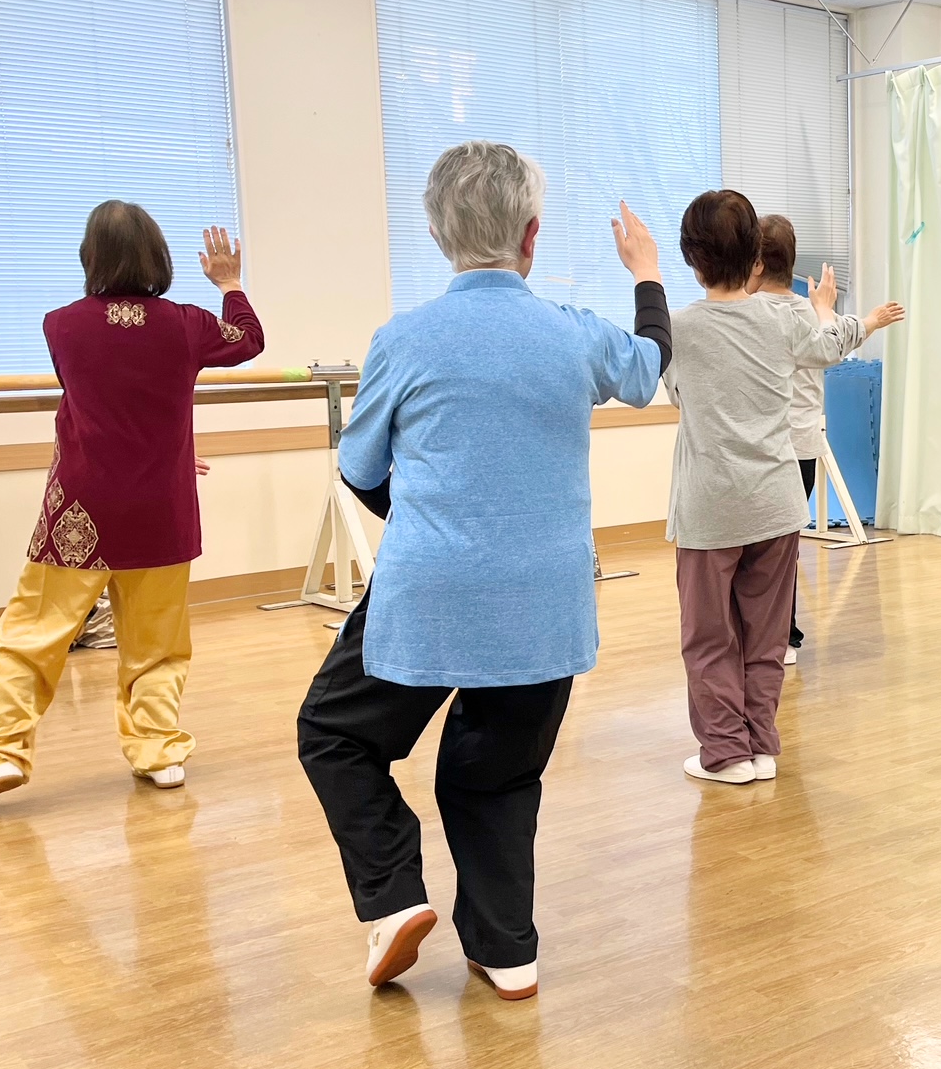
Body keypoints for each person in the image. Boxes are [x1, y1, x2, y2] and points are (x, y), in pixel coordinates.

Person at [295, 141, 671, 995]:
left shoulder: (405, 339)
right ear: (532, 236)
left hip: (429, 593)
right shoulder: (572, 334)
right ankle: (507, 953)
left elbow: (359, 469)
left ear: (435, 233)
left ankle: (392, 900)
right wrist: (646, 274)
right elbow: (649, 371)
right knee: (495, 776)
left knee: (336, 733)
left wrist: (433, 520)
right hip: (546, 602)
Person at [0, 203, 263, 805]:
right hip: (162, 507)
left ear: (89, 257)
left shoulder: (60, 325)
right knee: (158, 642)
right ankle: (159, 751)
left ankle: (0, 752)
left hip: (81, 513)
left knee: (31, 636)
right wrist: (229, 283)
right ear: (160, 258)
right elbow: (248, 340)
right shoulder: (186, 323)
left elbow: (101, 401)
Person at [666, 190, 903, 784]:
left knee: (710, 637)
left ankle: (725, 753)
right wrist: (847, 312)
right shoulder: (785, 318)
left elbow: (677, 395)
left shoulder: (679, 329)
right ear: (756, 259)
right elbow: (830, 345)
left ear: (692, 260)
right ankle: (762, 747)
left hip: (710, 510)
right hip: (775, 506)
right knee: (766, 637)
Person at [745, 214, 837, 666]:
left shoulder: (757, 313)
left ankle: (777, 635)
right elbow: (832, 345)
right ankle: (782, 634)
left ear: (755, 263)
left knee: (765, 547)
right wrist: (825, 307)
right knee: (782, 545)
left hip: (773, 445)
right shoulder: (803, 312)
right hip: (802, 444)